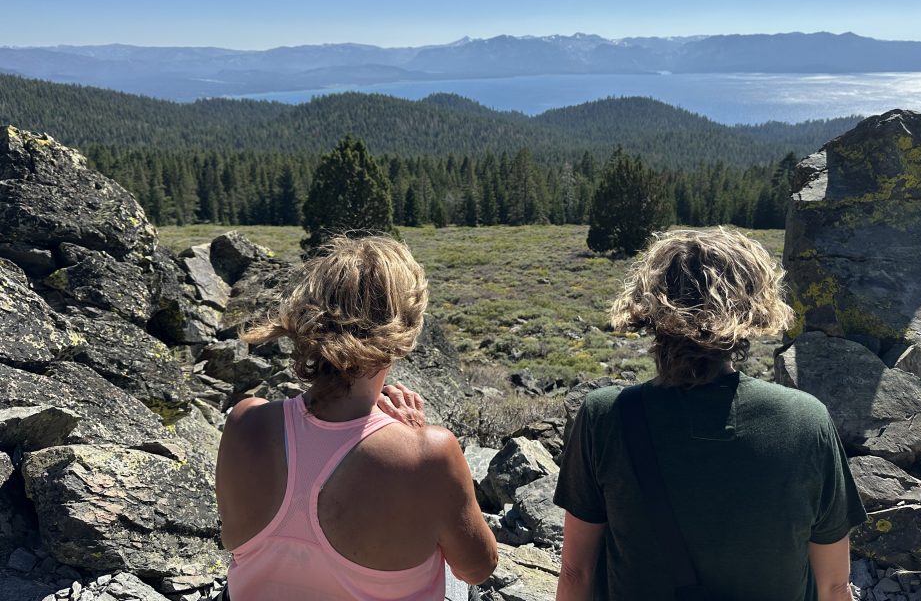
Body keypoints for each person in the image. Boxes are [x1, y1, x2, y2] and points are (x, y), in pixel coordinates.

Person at [554, 228, 867, 601]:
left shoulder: (605, 416)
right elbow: (834, 586)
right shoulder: (805, 421)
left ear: (648, 307)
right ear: (753, 308)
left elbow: (576, 573)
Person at [215, 235, 498, 601]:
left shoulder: (245, 421)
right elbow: (477, 568)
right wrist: (415, 440)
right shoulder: (431, 454)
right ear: (405, 332)